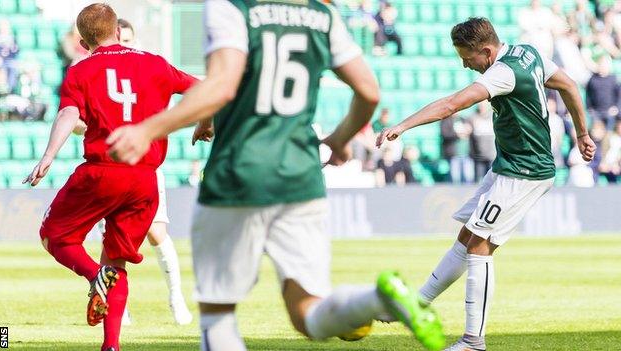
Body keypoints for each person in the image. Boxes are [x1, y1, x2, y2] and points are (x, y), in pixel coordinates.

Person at [106, 1, 445, 350]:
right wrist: (341, 139)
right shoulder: (322, 14)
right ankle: (376, 300)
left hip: (239, 174)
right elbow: (369, 91)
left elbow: (223, 84)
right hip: (301, 175)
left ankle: (376, 300)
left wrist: (147, 130)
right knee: (307, 313)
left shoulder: (233, 7)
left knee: (217, 315)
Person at [377, 17, 595, 350]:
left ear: (487, 51)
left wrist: (403, 126)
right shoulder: (529, 54)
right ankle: (416, 305)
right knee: (467, 238)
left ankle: (472, 342)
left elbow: (452, 104)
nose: (465, 65)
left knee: (480, 246)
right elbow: (568, 85)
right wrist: (582, 133)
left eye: (467, 57)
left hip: (524, 172)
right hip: (508, 165)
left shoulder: (502, 73)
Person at [23, 4, 197, 351]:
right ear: (118, 30)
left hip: (102, 172)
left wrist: (48, 155)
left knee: (54, 237)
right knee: (115, 260)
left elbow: (69, 113)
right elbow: (201, 90)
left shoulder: (81, 70)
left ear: (83, 42)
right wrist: (206, 123)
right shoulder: (155, 63)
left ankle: (93, 275)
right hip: (144, 178)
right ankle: (111, 345)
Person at [74, 17, 193, 327]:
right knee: (111, 242)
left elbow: (184, 95)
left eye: (127, 42)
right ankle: (117, 307)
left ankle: (176, 296)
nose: (122, 47)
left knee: (157, 234)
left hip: (145, 167)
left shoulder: (147, 68)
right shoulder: (93, 72)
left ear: (132, 41)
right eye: (119, 40)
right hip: (109, 169)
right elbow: (75, 119)